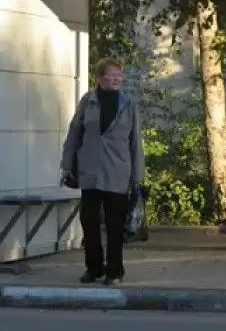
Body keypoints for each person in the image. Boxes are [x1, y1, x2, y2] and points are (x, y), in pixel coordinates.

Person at [61, 58, 145, 286]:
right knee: (88, 221)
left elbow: (136, 141)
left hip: (117, 172)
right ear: (100, 77)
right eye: (112, 74)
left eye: (119, 75)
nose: (117, 78)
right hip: (90, 171)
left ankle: (114, 271)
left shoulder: (128, 103)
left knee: (115, 224)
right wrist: (67, 165)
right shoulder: (88, 101)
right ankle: (94, 268)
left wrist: (137, 177)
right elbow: (74, 132)